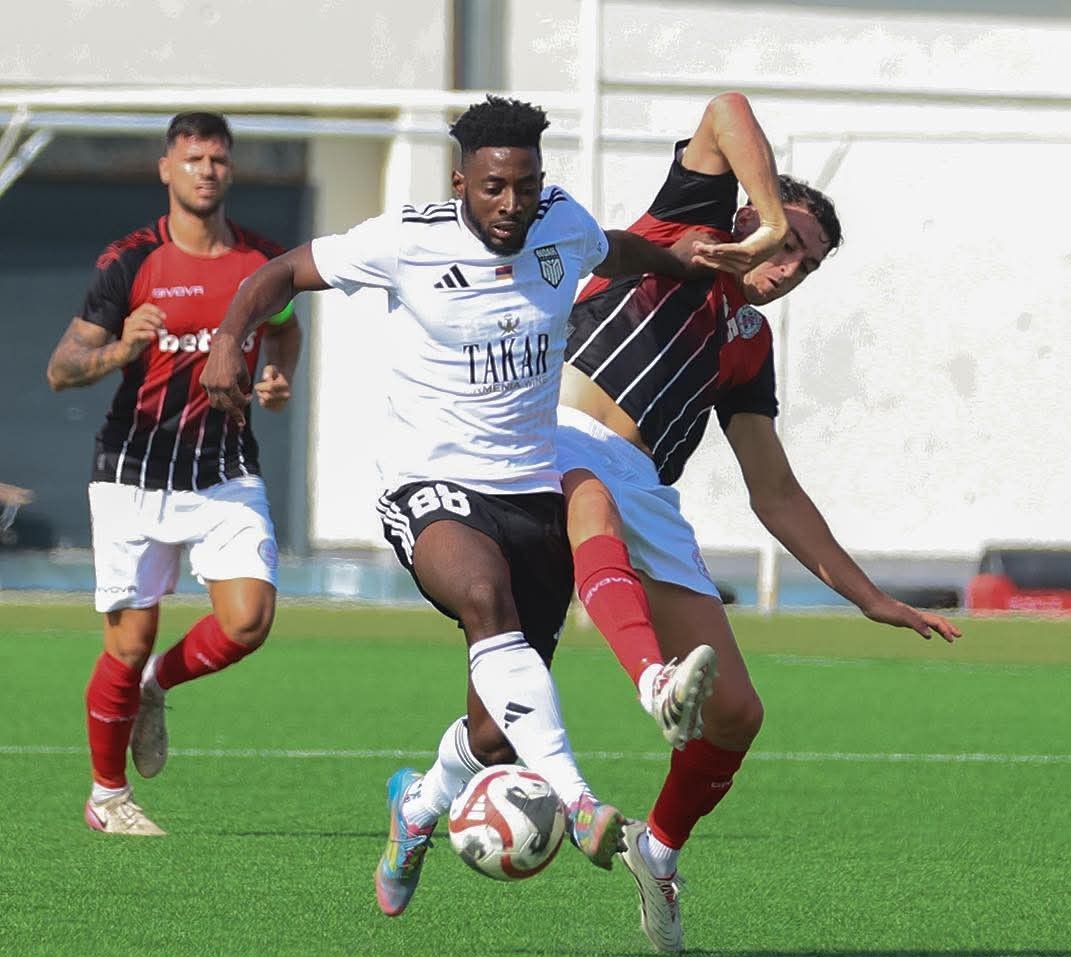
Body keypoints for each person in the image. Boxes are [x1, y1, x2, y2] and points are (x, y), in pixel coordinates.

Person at [200, 94, 765, 918]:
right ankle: (578, 801)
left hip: (529, 492)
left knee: (494, 732)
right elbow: (279, 273)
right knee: (481, 597)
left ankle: (417, 804)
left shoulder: (558, 221)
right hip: (427, 482)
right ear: (461, 181)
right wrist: (229, 339)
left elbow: (615, 249)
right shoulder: (405, 240)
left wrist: (684, 260)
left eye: (525, 186)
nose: (511, 204)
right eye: (495, 187)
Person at [556, 91, 962, 953]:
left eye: (805, 264)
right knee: (590, 498)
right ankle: (651, 683)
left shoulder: (748, 342)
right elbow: (725, 108)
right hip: (558, 433)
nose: (789, 267)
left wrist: (869, 597)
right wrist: (771, 217)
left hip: (646, 489)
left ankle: (656, 850)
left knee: (738, 713)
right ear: (749, 213)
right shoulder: (687, 228)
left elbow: (773, 491)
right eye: (788, 247)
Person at [45, 111, 302, 836]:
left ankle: (159, 683)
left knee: (248, 621)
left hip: (224, 468)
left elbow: (285, 325)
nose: (206, 171)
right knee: (125, 644)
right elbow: (62, 368)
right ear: (166, 169)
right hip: (132, 471)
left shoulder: (263, 261)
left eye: (217, 159)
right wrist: (120, 350)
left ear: (231, 169)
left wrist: (277, 373)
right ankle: (107, 797)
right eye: (192, 159)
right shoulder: (130, 261)